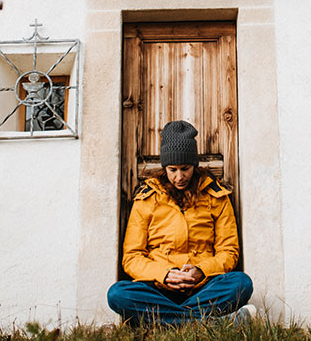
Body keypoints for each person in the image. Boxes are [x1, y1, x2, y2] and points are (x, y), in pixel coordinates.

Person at [107, 119, 254, 325]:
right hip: (159, 289)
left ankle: (164, 320)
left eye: (185, 168)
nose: (179, 177)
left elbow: (229, 252)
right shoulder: (146, 199)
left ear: (194, 164)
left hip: (203, 288)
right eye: (172, 170)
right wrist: (164, 274)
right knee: (118, 294)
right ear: (164, 168)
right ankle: (209, 323)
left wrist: (201, 271)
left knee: (241, 283)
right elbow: (132, 257)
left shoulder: (217, 197)